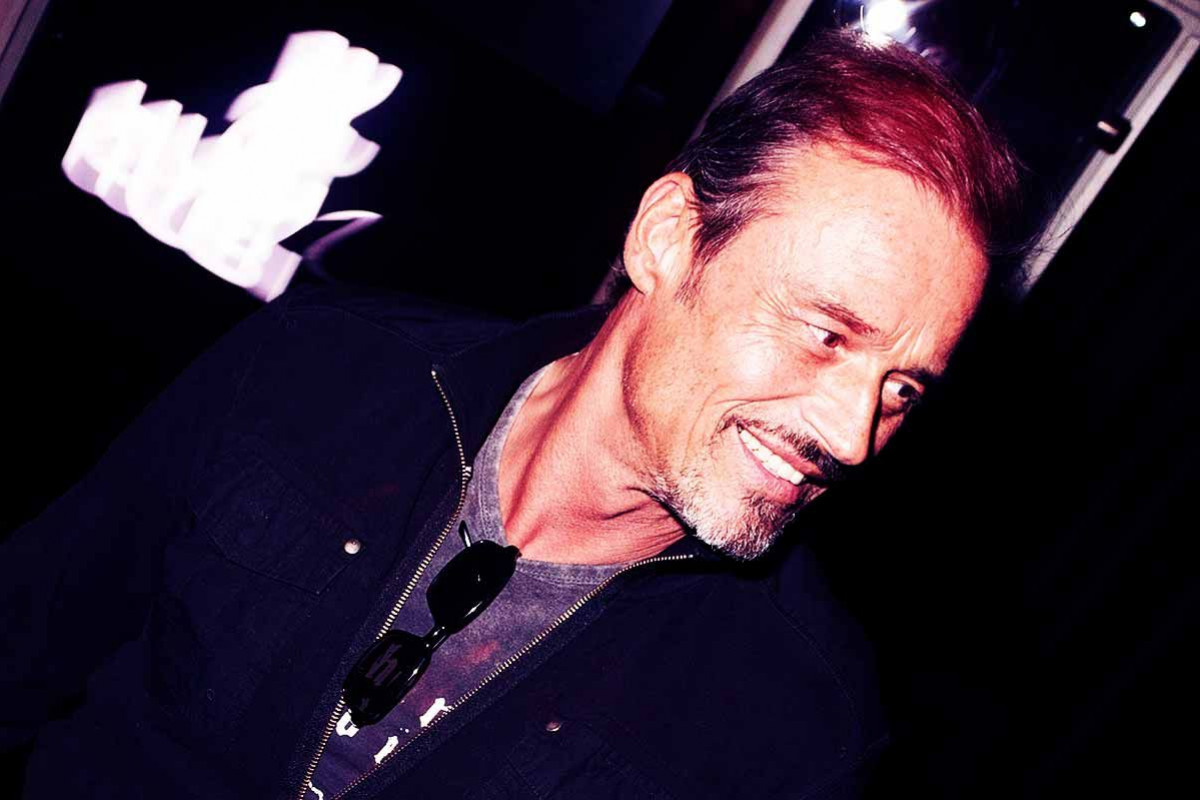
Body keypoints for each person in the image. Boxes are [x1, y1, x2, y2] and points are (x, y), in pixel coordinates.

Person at [2, 31, 1024, 799]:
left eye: (902, 388)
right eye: (827, 333)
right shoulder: (322, 369)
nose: (851, 436)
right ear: (669, 238)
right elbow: (25, 631)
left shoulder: (798, 721)